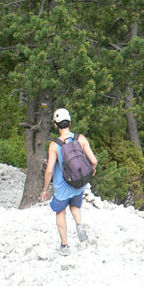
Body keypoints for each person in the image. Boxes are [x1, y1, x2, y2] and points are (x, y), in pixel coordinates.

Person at [40, 108, 98, 255]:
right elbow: (94, 161)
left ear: (55, 125)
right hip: (79, 183)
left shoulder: (55, 145)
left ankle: (65, 246)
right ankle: (79, 225)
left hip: (62, 186)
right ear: (70, 123)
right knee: (75, 206)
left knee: (60, 212)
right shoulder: (81, 138)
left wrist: (45, 189)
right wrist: (92, 170)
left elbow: (49, 170)